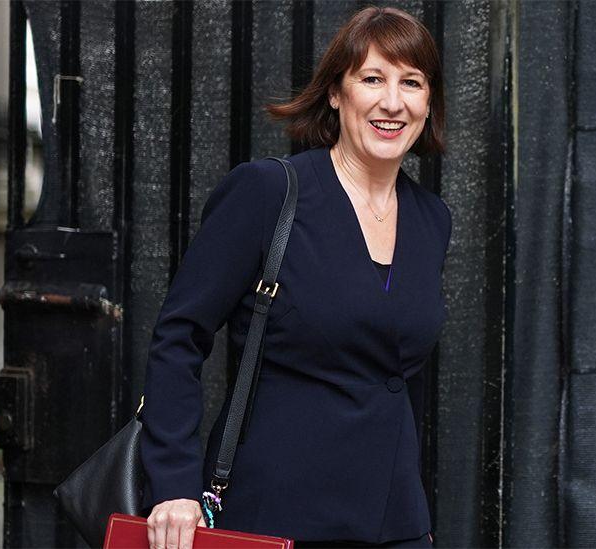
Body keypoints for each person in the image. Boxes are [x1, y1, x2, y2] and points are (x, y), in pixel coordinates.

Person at [141, 6, 449, 549]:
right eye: (372, 78)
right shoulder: (268, 192)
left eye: (412, 82)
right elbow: (178, 337)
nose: (393, 102)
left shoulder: (431, 219)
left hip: (392, 522)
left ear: (429, 102)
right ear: (336, 92)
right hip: (274, 515)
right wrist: (173, 485)